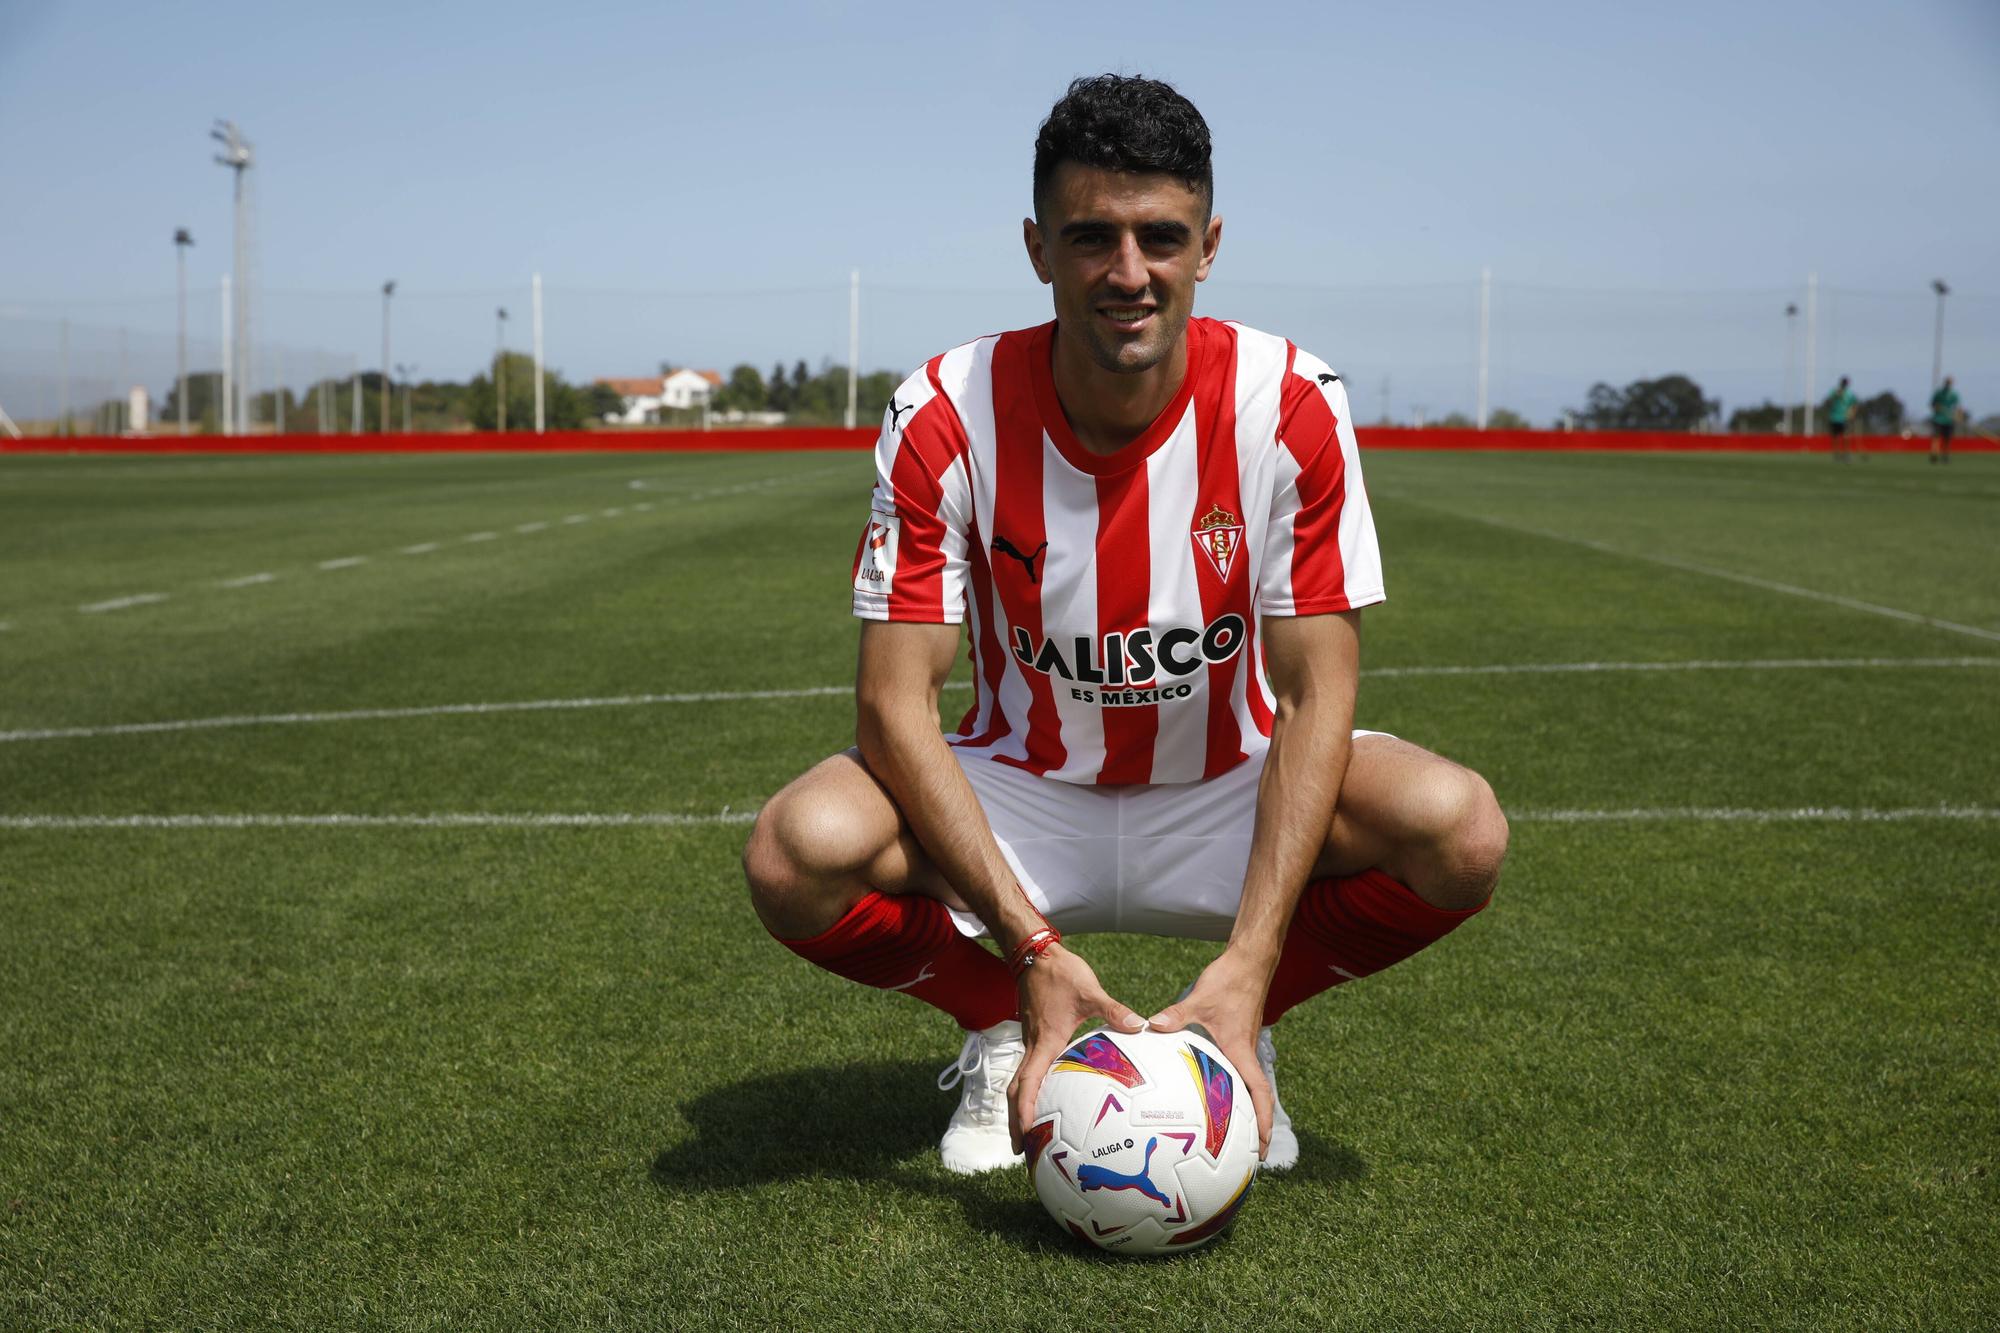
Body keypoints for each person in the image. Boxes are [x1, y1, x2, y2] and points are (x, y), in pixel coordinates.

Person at [743, 74, 1508, 1177]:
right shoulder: (944, 409)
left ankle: (1226, 1020)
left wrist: (1252, 957)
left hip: (1226, 786)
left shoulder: (1288, 401)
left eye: (1160, 236)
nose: (1128, 271)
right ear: (1035, 247)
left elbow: (1314, 692)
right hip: (1017, 790)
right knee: (792, 851)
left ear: (1207, 245)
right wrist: (1032, 948)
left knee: (1460, 829)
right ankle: (1007, 1018)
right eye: (1090, 236)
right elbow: (891, 700)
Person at [1930, 377, 1961, 464]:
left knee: (1947, 439)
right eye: (1947, 383)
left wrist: (1957, 416)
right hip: (1938, 419)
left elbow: (1958, 407)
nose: (1948, 384)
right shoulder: (1938, 393)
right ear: (1945, 383)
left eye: (1950, 383)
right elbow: (1932, 404)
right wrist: (1937, 407)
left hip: (1949, 420)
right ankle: (1934, 455)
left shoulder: (1954, 394)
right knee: (1936, 438)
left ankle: (1945, 456)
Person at [1826, 376, 1857, 462]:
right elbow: (1828, 400)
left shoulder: (1850, 394)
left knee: (1846, 436)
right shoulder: (1835, 391)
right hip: (1834, 417)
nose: (1845, 385)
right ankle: (1836, 455)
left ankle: (1846, 454)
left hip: (1844, 418)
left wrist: (1852, 413)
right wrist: (1837, 394)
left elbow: (1854, 404)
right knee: (1835, 437)